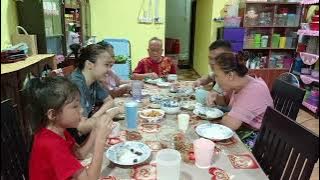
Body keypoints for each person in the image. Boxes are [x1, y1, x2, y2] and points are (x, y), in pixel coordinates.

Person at [24, 77, 118, 180]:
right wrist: (100, 139)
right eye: (75, 106)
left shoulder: (58, 130)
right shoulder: (51, 144)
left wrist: (95, 130)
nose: (81, 110)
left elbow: (79, 154)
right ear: (52, 114)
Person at [206, 52, 273, 149]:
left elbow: (230, 124)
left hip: (257, 139)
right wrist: (216, 97)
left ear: (230, 75)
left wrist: (226, 116)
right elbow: (225, 101)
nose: (216, 80)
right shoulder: (238, 84)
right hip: (243, 127)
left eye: (217, 75)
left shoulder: (253, 91)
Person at [69, 44, 120, 144]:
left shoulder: (93, 80)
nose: (109, 70)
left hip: (84, 135)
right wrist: (109, 114)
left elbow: (109, 100)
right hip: (73, 142)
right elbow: (81, 128)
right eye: (106, 65)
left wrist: (94, 118)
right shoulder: (75, 85)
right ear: (89, 65)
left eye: (110, 66)